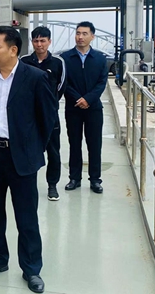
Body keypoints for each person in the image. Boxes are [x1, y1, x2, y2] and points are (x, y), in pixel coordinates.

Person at [0, 26, 57, 294]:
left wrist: (32, 149)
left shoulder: (35, 77)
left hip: (21, 157)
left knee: (26, 216)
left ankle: (31, 269)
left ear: (13, 50)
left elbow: (48, 119)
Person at [61, 21, 109, 194]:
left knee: (94, 144)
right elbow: (64, 82)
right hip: (73, 108)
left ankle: (95, 180)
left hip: (93, 108)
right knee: (74, 143)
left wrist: (88, 99)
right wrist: (78, 98)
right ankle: (74, 178)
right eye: (78, 33)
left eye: (84, 34)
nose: (80, 37)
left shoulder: (100, 59)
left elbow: (102, 82)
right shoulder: (65, 58)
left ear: (92, 36)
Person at [21, 26, 66, 201]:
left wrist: (49, 104)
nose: (39, 44)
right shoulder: (24, 61)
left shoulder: (58, 62)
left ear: (49, 41)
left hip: (50, 116)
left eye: (43, 41)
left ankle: (52, 185)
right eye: (36, 41)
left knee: (53, 151)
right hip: (28, 116)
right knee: (26, 149)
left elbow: (61, 86)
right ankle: (25, 184)